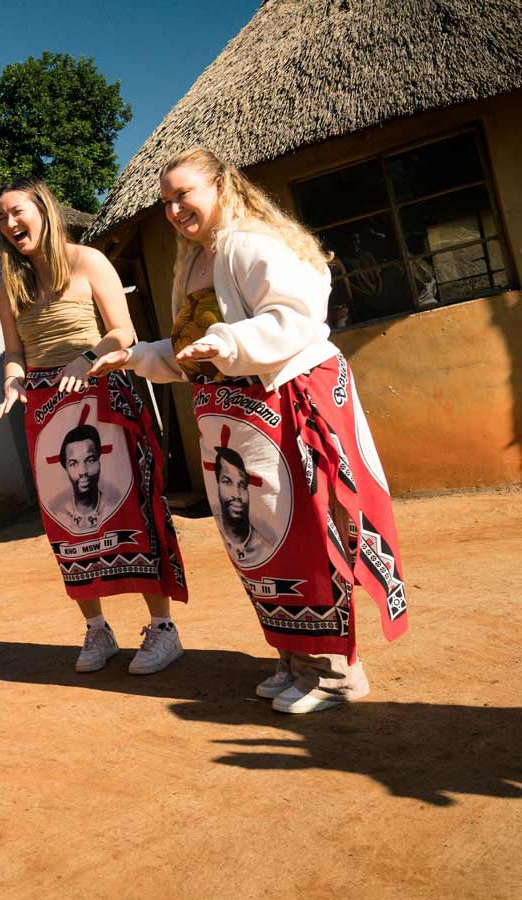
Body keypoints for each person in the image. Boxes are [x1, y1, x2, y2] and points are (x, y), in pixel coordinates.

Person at [88, 148, 409, 714]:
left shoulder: (252, 243)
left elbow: (295, 316)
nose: (174, 209)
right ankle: (293, 657)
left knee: (305, 528)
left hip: (284, 403)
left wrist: (230, 344)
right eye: (165, 201)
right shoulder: (193, 261)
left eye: (183, 194)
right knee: (256, 537)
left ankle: (337, 671)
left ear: (220, 185)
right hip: (235, 418)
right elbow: (193, 348)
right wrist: (138, 356)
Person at [0, 177, 189, 675]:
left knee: (131, 511)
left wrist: (85, 357)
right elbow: (15, 352)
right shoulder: (7, 285)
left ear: (43, 210)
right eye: (1, 218)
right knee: (69, 523)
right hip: (45, 408)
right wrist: (13, 382)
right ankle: (97, 630)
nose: (11, 223)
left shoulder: (88, 260)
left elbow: (124, 331)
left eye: (17, 211)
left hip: (103, 397)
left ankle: (163, 629)